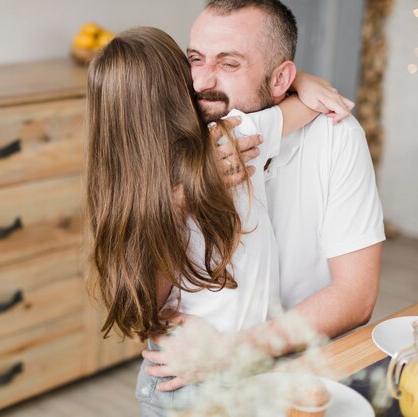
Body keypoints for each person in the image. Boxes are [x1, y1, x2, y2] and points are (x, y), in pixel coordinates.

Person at [86, 25, 352, 417]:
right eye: (190, 64)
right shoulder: (233, 137)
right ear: (182, 89)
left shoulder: (116, 185)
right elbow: (311, 104)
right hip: (206, 372)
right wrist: (307, 81)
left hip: (176, 377)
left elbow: (140, 305)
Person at [143, 0, 385, 393]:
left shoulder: (336, 135)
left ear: (280, 79)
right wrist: (182, 197)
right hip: (187, 372)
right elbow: (146, 304)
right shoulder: (174, 133)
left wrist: (235, 350)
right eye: (196, 59)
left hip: (299, 365)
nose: (201, 82)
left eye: (228, 64)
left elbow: (356, 296)